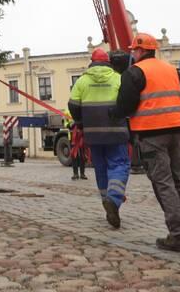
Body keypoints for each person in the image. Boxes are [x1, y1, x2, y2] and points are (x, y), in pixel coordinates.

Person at [117, 32, 180, 252]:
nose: (133, 54)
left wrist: (114, 112)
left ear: (139, 51)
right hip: (177, 129)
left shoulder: (135, 72)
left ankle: (179, 235)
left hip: (151, 133)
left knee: (164, 183)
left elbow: (125, 106)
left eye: (134, 50)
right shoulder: (171, 70)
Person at [68, 48, 130, 229]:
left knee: (101, 167)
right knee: (119, 164)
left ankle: (107, 200)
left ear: (92, 61)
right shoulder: (117, 78)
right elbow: (126, 103)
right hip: (116, 132)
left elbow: (73, 105)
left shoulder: (82, 81)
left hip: (92, 134)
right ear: (108, 62)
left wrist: (80, 122)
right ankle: (114, 199)